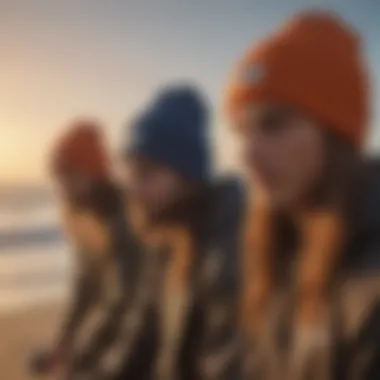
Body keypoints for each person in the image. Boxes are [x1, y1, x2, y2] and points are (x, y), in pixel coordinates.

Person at [225, 10, 380, 380]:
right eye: (242, 131)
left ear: (335, 136)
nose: (247, 154)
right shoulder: (280, 242)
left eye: (273, 124)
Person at [112, 84, 245, 380]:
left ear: (187, 176)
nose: (131, 188)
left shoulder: (230, 252)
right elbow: (142, 335)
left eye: (146, 173)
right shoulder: (169, 237)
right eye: (129, 171)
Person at [30, 120, 141, 380]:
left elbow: (123, 303)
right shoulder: (84, 214)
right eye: (58, 175)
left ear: (93, 172)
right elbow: (84, 287)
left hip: (139, 334)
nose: (62, 185)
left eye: (69, 174)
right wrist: (63, 342)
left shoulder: (123, 220)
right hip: (111, 328)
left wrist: (80, 356)